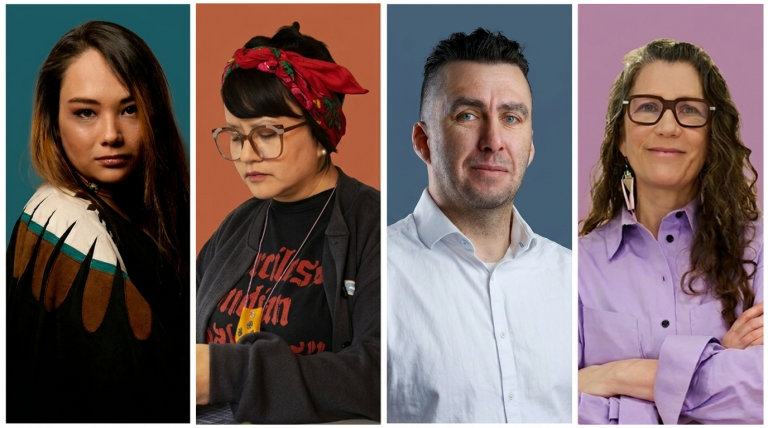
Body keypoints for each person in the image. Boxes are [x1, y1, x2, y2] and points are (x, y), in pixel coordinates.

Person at [195, 22, 380, 423]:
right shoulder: (235, 227)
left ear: (320, 132)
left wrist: (229, 372)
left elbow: (379, 374)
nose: (246, 154)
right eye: (235, 135)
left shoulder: (372, 227)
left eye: (267, 133)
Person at [6, 21, 189, 423]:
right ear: (53, 121)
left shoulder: (161, 216)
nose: (111, 134)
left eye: (129, 109)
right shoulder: (60, 221)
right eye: (86, 113)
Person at [387, 28, 572, 423]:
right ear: (423, 141)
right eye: (467, 116)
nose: (493, 140)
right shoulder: (377, 273)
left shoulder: (573, 277)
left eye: (511, 118)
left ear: (530, 146)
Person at [578, 39, 763, 424]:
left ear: (712, 137)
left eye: (689, 110)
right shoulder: (575, 268)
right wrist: (720, 362)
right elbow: (549, 402)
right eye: (647, 107)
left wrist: (615, 376)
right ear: (621, 138)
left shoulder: (760, 250)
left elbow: (761, 391)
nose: (667, 126)